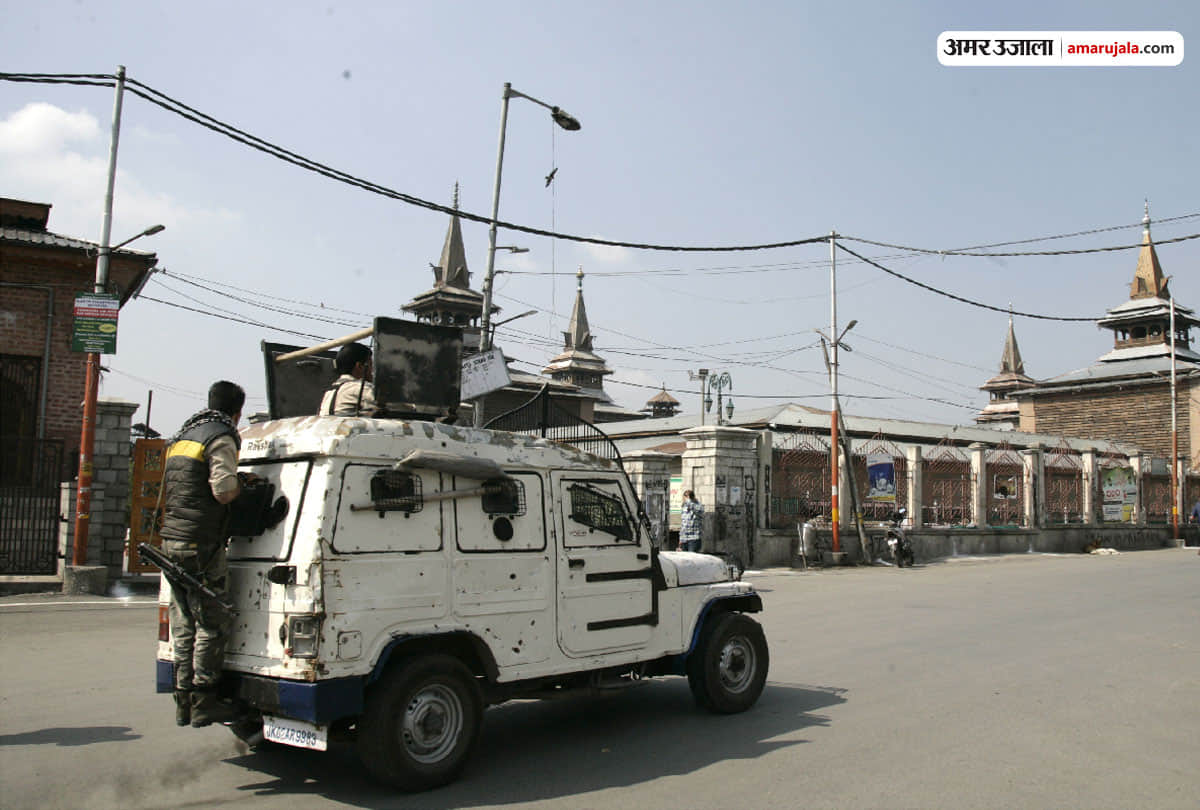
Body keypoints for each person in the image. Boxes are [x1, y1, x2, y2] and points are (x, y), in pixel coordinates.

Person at [160, 380, 247, 728]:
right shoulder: (221, 437)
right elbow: (224, 490)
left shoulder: (183, 437)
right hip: (201, 545)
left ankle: (182, 699)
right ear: (236, 412)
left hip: (172, 542)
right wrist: (246, 486)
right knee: (212, 623)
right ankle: (205, 700)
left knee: (184, 622)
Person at [319, 342, 377, 416]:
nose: (372, 370)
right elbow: (391, 407)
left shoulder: (330, 391)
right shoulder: (361, 388)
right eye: (370, 365)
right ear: (359, 366)